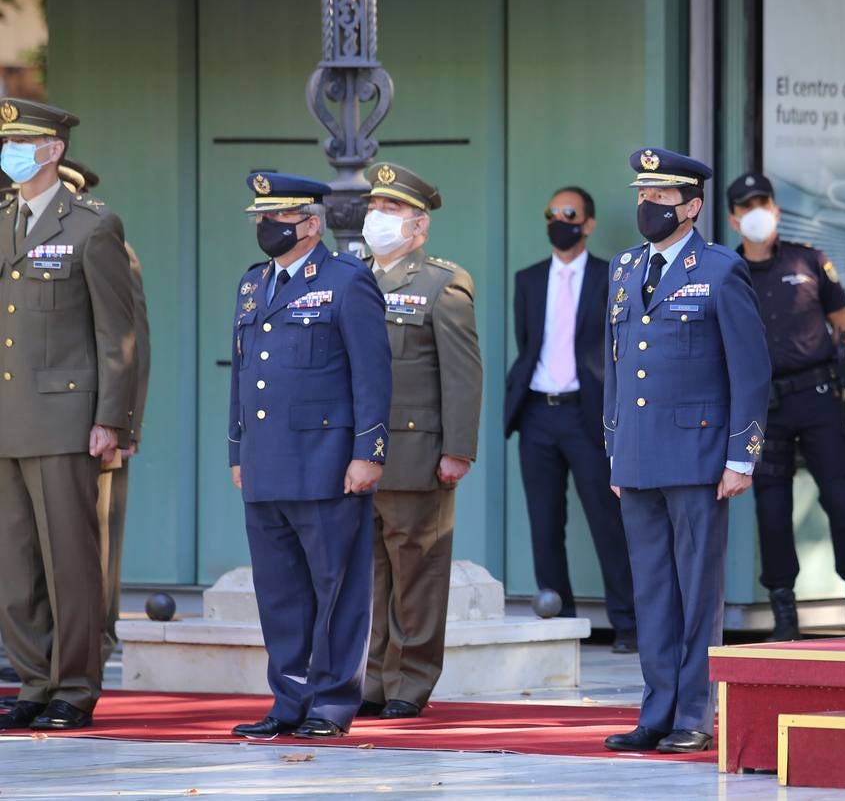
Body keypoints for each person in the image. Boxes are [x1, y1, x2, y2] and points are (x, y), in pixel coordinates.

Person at [602, 148, 770, 754]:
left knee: (696, 589)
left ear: (692, 207)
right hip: (640, 455)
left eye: (661, 200)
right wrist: (615, 447)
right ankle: (656, 710)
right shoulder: (623, 268)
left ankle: (694, 714)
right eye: (642, 197)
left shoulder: (721, 270)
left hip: (698, 454)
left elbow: (750, 373)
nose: (647, 208)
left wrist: (740, 456)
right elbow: (615, 369)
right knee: (650, 588)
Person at [228, 172, 391, 740]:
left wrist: (368, 452)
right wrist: (237, 448)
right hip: (266, 462)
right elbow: (243, 376)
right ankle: (289, 699)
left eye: (276, 219)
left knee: (338, 590)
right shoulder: (254, 286)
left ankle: (331, 703)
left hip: (327, 464)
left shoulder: (347, 281)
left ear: (311, 224)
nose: (265, 228)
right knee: (280, 593)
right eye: (261, 220)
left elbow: (373, 374)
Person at [0, 100, 140, 731]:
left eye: (23, 142)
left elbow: (120, 332)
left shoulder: (92, 225)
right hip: (6, 416)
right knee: (13, 559)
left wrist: (115, 419)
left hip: (63, 416)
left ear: (53, 150)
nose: (12, 153)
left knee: (69, 560)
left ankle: (74, 685)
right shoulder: (3, 220)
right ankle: (33, 679)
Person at [355, 163, 482, 720]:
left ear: (418, 227)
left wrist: (458, 449)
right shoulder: (351, 275)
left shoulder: (440, 282)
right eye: (374, 208)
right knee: (375, 572)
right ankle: (377, 677)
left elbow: (461, 373)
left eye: (392, 210)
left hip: (416, 450)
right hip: (360, 454)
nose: (377, 218)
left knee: (417, 571)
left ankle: (411, 680)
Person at [725, 172, 845, 640]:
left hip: (816, 399)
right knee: (771, 512)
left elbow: (842, 325)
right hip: (763, 408)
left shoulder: (809, 261)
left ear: (776, 209)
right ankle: (784, 620)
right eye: (746, 206)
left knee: (842, 499)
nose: (756, 213)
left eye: (762, 203)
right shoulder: (726, 271)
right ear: (733, 219)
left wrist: (841, 361)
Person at [505, 186, 637, 652]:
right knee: (544, 523)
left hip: (588, 415)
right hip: (538, 412)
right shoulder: (528, 279)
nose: (560, 221)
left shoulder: (610, 277)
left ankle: (627, 624)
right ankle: (558, 623)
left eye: (570, 214)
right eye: (552, 213)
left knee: (608, 520)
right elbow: (528, 341)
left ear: (589, 223)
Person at [55, 161, 151, 668]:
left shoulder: (104, 242)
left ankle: (94, 643)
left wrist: (124, 423)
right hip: (40, 421)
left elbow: (131, 340)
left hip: (94, 424)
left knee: (93, 547)